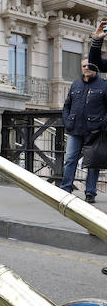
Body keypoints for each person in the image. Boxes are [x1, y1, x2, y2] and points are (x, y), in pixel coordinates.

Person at [60, 58, 107, 203]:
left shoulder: (104, 85)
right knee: (70, 160)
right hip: (75, 130)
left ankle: (90, 193)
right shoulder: (75, 84)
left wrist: (102, 124)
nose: (86, 67)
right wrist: (67, 120)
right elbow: (67, 106)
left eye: (89, 65)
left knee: (93, 163)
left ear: (96, 67)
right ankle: (65, 189)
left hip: (95, 131)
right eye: (84, 65)